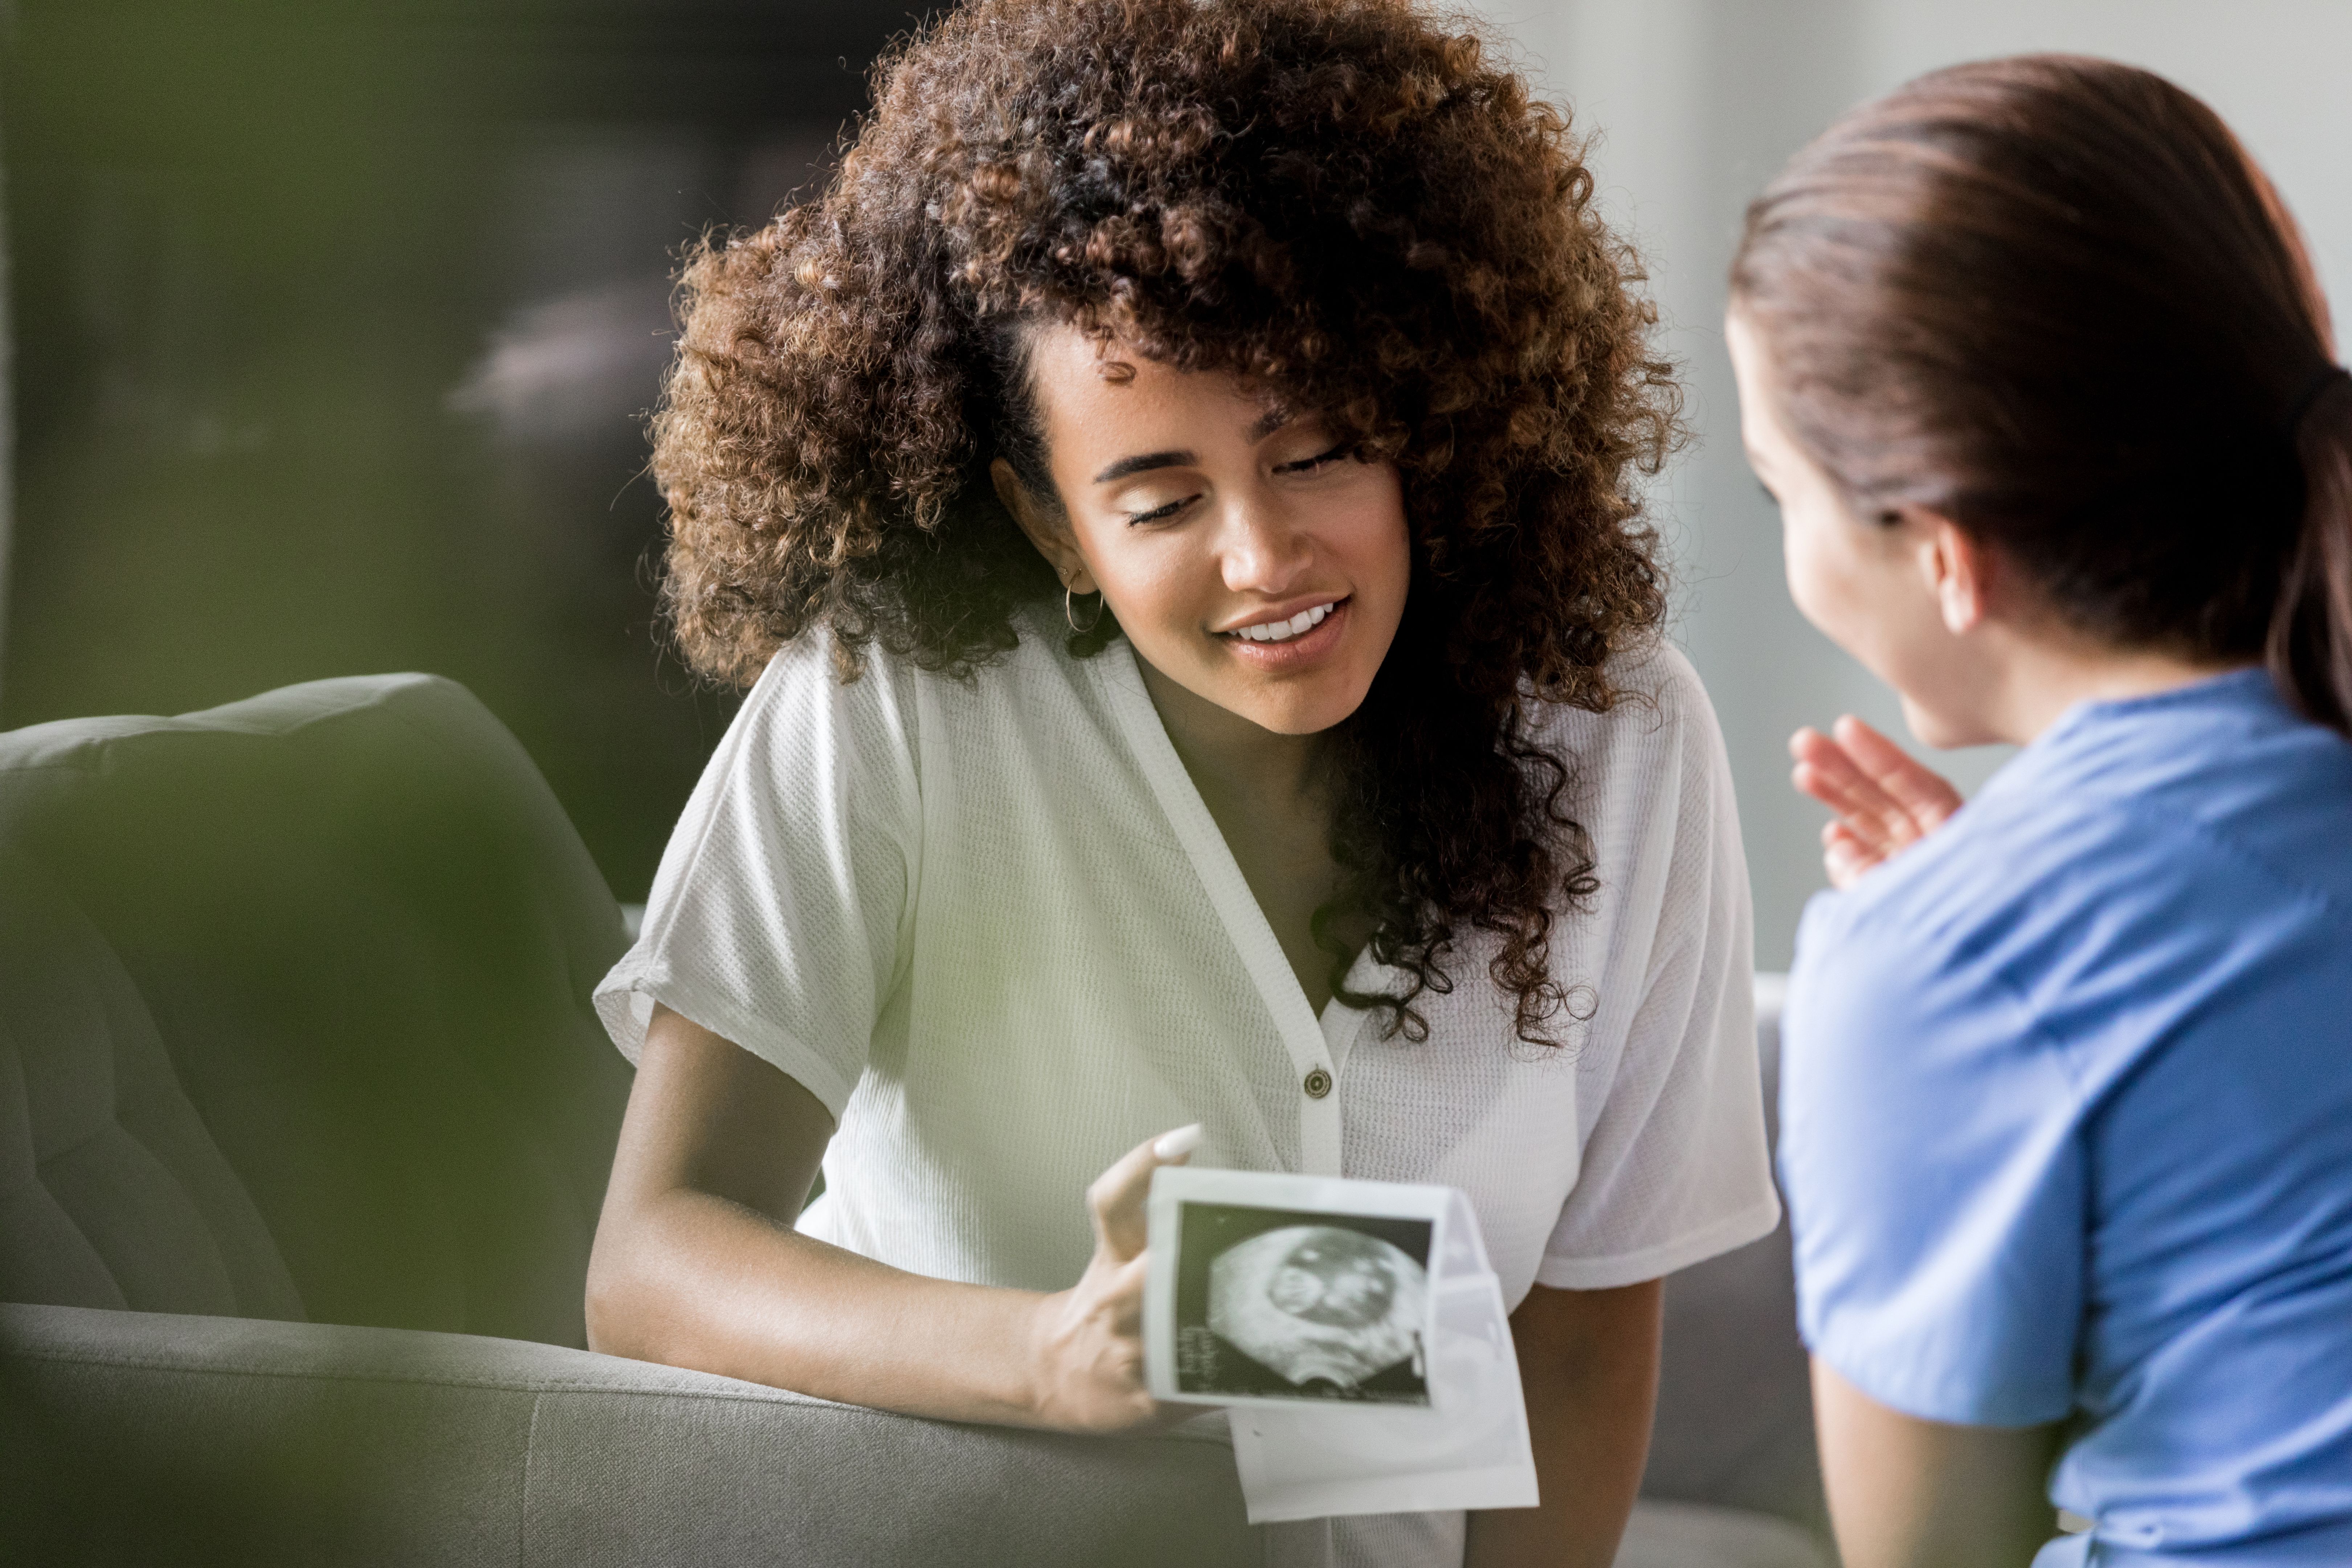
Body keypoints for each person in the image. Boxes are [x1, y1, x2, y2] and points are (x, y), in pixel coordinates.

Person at [582, 1, 1781, 1564]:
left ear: (1425, 416)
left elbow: (1582, 1329)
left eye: (1319, 452)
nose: (1266, 557)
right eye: (1159, 500)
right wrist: (1052, 1358)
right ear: (1045, 525)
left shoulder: (1620, 735)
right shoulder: (888, 711)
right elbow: (652, 1263)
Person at [1728, 55, 2352, 1568]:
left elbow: (1933, 1555)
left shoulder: (1935, 963)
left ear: (1943, 549)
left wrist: (1976, 969)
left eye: (1780, 496)